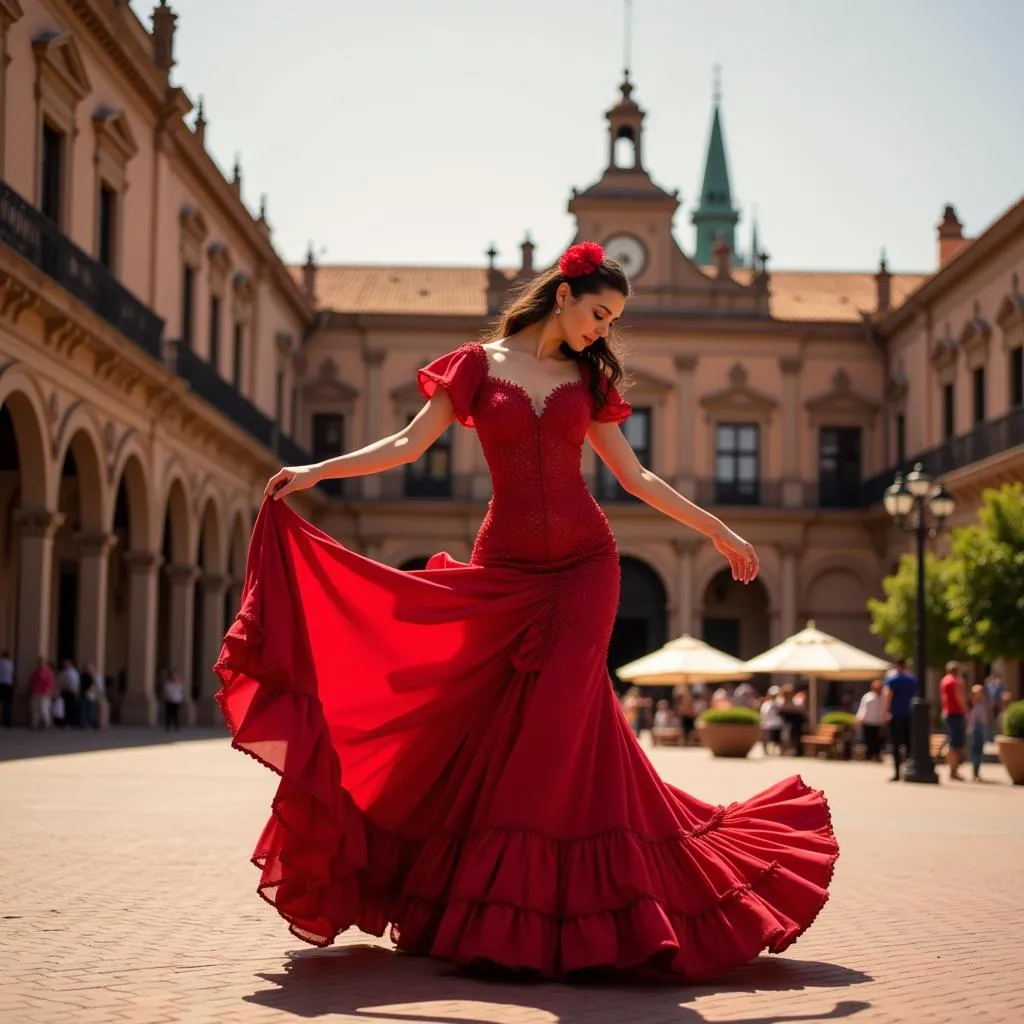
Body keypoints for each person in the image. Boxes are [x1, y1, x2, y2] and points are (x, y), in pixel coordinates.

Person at [216, 242, 837, 981]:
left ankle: (539, 914)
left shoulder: (587, 377)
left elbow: (634, 476)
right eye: (598, 313)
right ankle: (504, 908)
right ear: (565, 294)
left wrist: (719, 528)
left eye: (612, 321)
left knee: (553, 729)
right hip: (505, 569)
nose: (602, 331)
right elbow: (409, 443)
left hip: (586, 569)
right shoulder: (476, 365)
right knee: (499, 726)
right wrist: (319, 469)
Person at [884, 658, 917, 782]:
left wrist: (885, 712)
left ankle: (897, 773)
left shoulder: (892, 679)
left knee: (896, 745)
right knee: (908, 744)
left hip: (895, 715)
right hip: (909, 715)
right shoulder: (911, 679)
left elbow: (888, 695)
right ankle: (909, 770)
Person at [939, 660, 967, 781]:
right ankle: (953, 771)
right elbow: (959, 697)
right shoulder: (956, 681)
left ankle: (952, 769)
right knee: (955, 744)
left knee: (952, 742)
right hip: (956, 713)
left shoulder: (944, 680)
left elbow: (943, 698)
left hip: (948, 713)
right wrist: (966, 710)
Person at [966, 684, 990, 782]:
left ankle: (977, 771)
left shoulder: (983, 703)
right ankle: (974, 772)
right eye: (977, 692)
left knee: (980, 750)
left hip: (982, 727)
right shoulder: (971, 704)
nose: (980, 694)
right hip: (974, 728)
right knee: (975, 750)